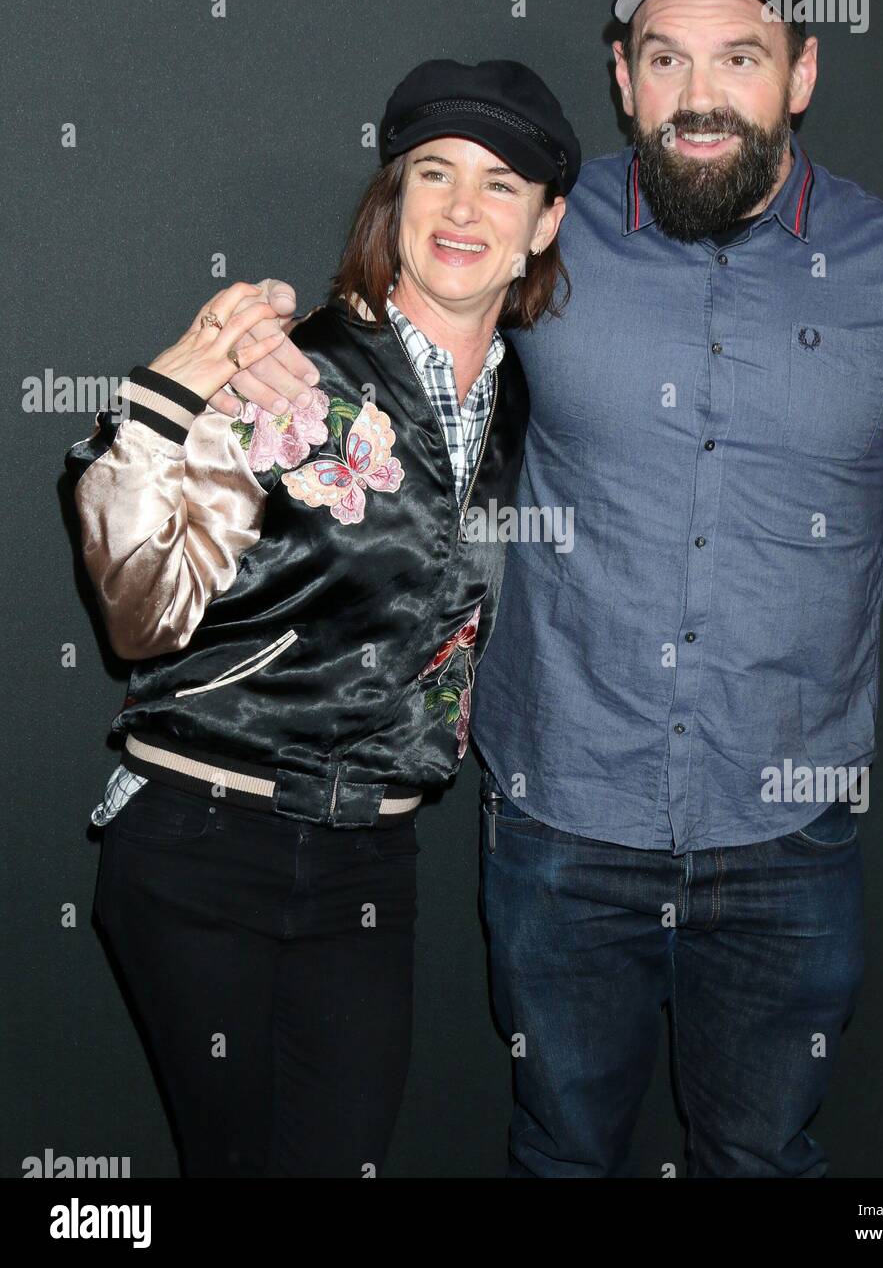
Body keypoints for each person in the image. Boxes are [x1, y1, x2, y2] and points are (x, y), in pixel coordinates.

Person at [227, 0, 883, 1178]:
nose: (699, 94)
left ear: (801, 71)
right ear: (622, 76)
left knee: (763, 1158)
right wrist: (252, 337)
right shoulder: (542, 232)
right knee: (561, 1153)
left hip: (789, 835)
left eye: (739, 56)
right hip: (558, 820)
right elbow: (384, 343)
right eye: (665, 58)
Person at [64, 57, 579, 1177]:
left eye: (501, 184)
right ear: (392, 200)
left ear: (543, 223)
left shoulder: (523, 402)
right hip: (205, 837)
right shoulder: (281, 369)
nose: (461, 208)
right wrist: (161, 406)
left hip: (370, 857)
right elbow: (140, 619)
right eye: (433, 172)